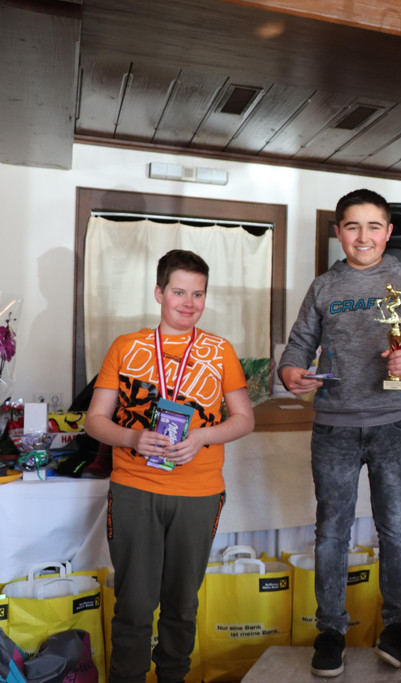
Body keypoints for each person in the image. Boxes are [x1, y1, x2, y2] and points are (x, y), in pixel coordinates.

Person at [279, 188, 401, 677]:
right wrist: (291, 372)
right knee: (331, 532)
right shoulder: (324, 286)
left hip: (394, 424)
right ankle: (331, 631)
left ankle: (397, 625)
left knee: (394, 528)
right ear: (339, 233)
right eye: (353, 226)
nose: (364, 236)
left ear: (389, 232)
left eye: (374, 226)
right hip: (335, 428)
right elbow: (298, 346)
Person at [84, 249, 255, 683]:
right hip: (134, 488)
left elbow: (244, 419)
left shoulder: (220, 350)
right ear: (159, 293)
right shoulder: (126, 346)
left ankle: (173, 677)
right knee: (135, 604)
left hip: (198, 493)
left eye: (198, 294)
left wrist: (201, 437)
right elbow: (94, 420)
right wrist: (133, 438)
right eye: (179, 292)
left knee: (182, 604)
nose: (189, 303)